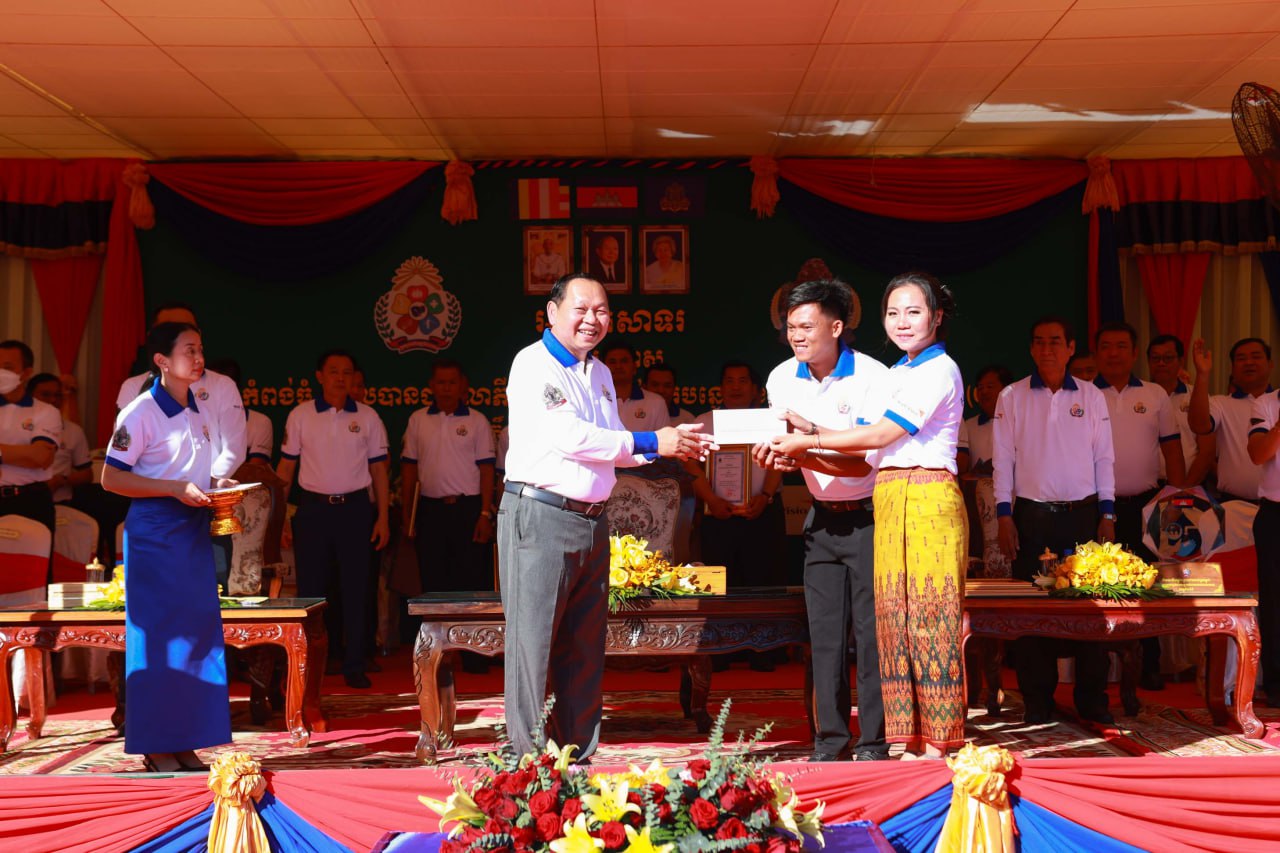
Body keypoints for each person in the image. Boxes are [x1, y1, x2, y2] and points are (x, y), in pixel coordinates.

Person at [500, 272, 712, 757]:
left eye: (601, 311)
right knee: (533, 644)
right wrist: (655, 439)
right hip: (541, 515)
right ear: (552, 313)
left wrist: (670, 447)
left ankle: (577, 753)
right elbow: (571, 438)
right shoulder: (533, 364)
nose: (591, 319)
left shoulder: (597, 371)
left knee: (584, 644)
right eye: (581, 309)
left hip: (593, 519)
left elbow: (613, 442)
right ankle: (528, 761)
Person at [766, 272, 967, 759]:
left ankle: (921, 741)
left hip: (909, 501)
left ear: (937, 317)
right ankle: (887, 738)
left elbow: (876, 439)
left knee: (925, 620)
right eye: (893, 313)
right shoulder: (901, 372)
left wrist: (809, 439)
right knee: (892, 625)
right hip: (880, 501)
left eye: (913, 312)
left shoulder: (929, 371)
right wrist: (803, 440)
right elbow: (868, 448)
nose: (902, 322)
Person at [756, 279, 890, 763]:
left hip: (870, 517)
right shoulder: (780, 378)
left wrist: (804, 448)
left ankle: (873, 743)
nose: (797, 335)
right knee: (824, 637)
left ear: (836, 327)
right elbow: (785, 449)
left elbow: (861, 463)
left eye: (807, 326)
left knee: (871, 638)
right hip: (820, 520)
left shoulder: (873, 376)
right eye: (791, 327)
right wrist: (778, 457)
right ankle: (830, 742)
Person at [100, 322, 233, 774]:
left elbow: (185, 469)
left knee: (196, 638)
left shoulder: (198, 406)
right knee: (158, 639)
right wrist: (174, 488)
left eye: (201, 349)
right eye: (189, 350)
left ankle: (187, 739)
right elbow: (111, 477)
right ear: (162, 360)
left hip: (192, 529)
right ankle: (156, 744)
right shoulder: (139, 412)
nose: (199, 358)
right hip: (156, 533)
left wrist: (215, 484)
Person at [993, 316, 1116, 726]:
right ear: (1031, 348)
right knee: (1033, 611)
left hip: (1084, 515)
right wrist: (1004, 514)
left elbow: (1104, 457)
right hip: (1032, 517)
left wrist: (1107, 512)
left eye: (1056, 342)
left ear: (1070, 348)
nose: (1047, 349)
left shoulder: (1091, 395)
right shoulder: (1011, 396)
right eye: (1040, 342)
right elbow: (1003, 460)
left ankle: (1092, 699)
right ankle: (1037, 700)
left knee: (1091, 608)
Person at [277, 350, 390, 689]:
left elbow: (379, 471)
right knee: (312, 592)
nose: (341, 378)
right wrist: (278, 517)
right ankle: (311, 664)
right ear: (319, 376)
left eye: (347, 372)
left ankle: (355, 663)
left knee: (357, 588)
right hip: (313, 510)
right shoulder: (301, 415)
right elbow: (286, 468)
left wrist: (383, 517)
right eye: (334, 371)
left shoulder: (368, 417)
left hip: (355, 510)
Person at [1095, 322, 1185, 691]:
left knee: (1147, 587)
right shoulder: (1084, 394)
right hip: (1097, 507)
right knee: (1098, 587)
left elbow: (1172, 450)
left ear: (1134, 354)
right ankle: (1098, 671)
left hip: (1146, 505)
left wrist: (1176, 498)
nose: (1113, 353)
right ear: (1097, 353)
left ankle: (1150, 665)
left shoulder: (1155, 394)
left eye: (1121, 346)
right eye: (1106, 346)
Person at [400, 359, 496, 594]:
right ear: (432, 385)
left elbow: (487, 471)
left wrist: (484, 514)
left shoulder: (477, 421)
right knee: (432, 580)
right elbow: (409, 469)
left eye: (451, 382)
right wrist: (407, 515)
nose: (446, 388)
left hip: (468, 510)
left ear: (462, 385)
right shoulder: (418, 419)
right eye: (441, 382)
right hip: (430, 511)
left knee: (470, 579)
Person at [694, 362, 786, 587]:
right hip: (718, 515)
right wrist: (711, 499)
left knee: (765, 586)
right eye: (729, 381)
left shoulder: (771, 420)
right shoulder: (704, 422)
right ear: (721, 388)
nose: (735, 387)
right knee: (719, 587)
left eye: (742, 381)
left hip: (762, 511)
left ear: (755, 389)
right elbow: (689, 465)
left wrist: (766, 496)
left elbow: (779, 461)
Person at [1188, 337, 1275, 503]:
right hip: (1233, 504)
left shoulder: (1276, 401)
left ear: (1270, 364)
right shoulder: (1221, 403)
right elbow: (1199, 425)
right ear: (1233, 369)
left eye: (1256, 356)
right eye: (1241, 359)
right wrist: (1202, 375)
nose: (1249, 362)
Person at [0, 340, 60, 550]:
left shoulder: (46, 411)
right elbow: (30, 454)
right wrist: (22, 453)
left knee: (35, 566)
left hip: (30, 500)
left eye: (7, 367)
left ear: (26, 373)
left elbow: (40, 457)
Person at [1246, 382, 1280, 707]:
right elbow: (1258, 454)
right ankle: (1277, 684)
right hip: (1275, 515)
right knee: (1274, 602)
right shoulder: (1266, 404)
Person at [1147, 334, 1213, 487]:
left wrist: (1184, 488)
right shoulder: (1139, 396)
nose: (1161, 363)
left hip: (1190, 485)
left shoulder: (1196, 396)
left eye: (1168, 358)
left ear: (1181, 361)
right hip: (1147, 488)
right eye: (1155, 358)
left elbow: (1207, 451)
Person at [27, 373, 92, 505]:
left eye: (57, 395)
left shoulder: (73, 430)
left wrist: (61, 480)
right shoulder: (15, 428)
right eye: (45, 394)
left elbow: (87, 474)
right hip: (21, 502)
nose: (53, 400)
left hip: (60, 504)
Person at [602, 340, 669, 431]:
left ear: (634, 367)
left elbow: (665, 438)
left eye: (624, 361)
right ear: (602, 368)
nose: (618, 366)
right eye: (612, 362)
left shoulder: (656, 402)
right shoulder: (594, 399)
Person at [957, 366, 1011, 478]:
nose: (984, 392)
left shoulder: (1018, 422)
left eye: (990, 387)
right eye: (980, 388)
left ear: (1006, 390)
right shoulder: (968, 425)